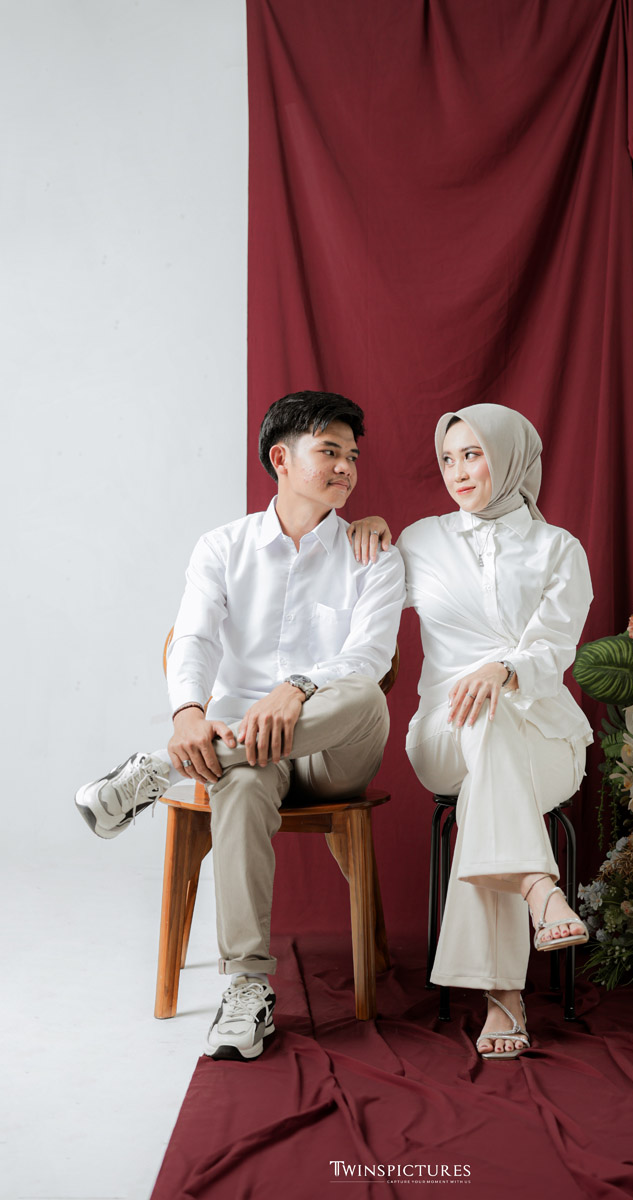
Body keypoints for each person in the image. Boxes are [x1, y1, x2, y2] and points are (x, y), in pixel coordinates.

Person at [75, 391, 405, 1062]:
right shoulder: (222, 546)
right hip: (245, 752)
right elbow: (193, 637)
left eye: (352, 456)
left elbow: (370, 657)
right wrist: (188, 714)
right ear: (281, 459)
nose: (346, 467)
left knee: (368, 697)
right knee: (244, 781)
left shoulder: (373, 552)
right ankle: (247, 987)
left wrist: (298, 688)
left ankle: (158, 771)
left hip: (334, 750)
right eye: (330, 452)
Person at [349, 403, 592, 1060]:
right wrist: (361, 532)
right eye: (448, 458)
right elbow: (351, 591)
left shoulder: (559, 549)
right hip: (442, 738)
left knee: (493, 733)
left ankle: (503, 994)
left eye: (474, 454)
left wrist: (504, 670)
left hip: (545, 740)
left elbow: (555, 647)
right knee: (481, 720)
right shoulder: (422, 541)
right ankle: (539, 887)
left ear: (509, 458)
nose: (457, 471)